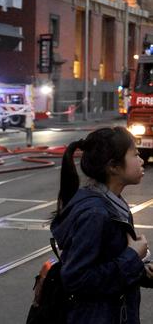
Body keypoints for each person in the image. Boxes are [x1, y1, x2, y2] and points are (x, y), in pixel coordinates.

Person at [50, 126, 153, 323]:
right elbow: (76, 278)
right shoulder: (95, 214)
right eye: (135, 154)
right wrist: (132, 256)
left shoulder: (113, 202)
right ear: (113, 166)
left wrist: (141, 272)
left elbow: (106, 263)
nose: (141, 161)